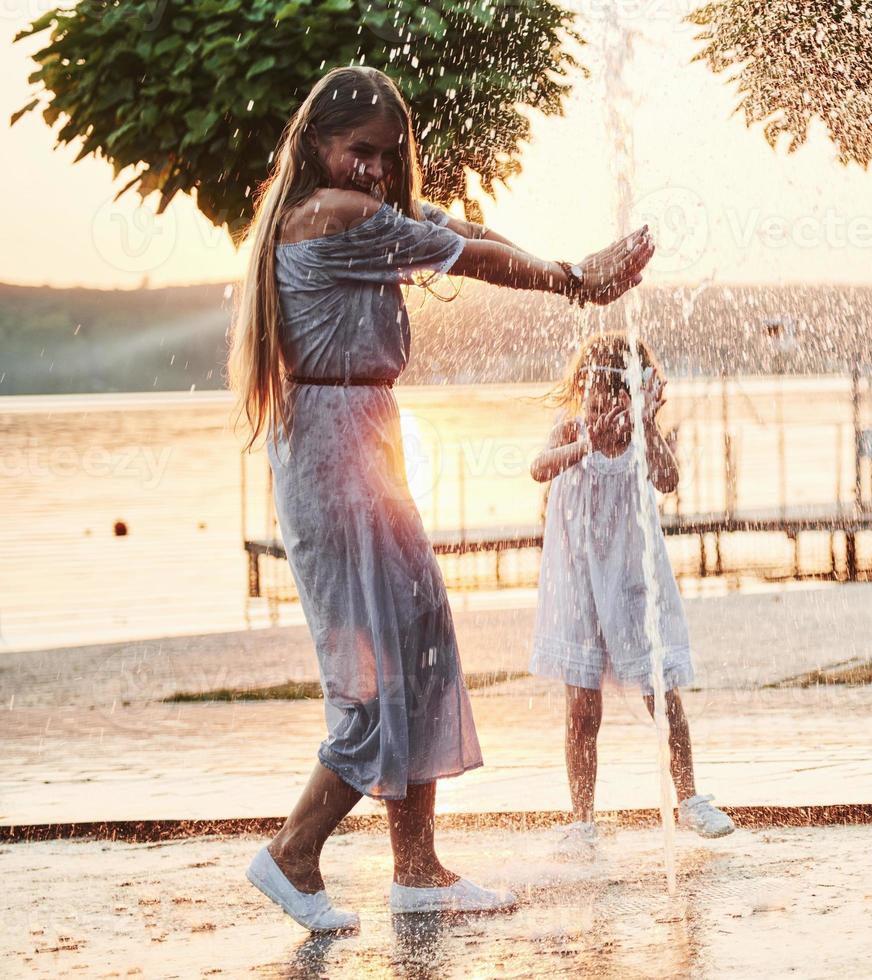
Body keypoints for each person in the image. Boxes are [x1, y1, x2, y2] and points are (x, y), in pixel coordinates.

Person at [227, 65, 653, 931]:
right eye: (360, 154)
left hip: (361, 444)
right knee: (377, 673)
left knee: (419, 644)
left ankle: (416, 869)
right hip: (336, 458)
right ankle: (292, 855)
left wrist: (565, 268)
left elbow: (461, 228)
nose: (376, 174)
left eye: (388, 158)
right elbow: (474, 256)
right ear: (315, 145)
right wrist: (573, 279)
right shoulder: (333, 216)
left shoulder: (358, 211)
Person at [529, 332, 736, 861]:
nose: (603, 401)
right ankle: (582, 820)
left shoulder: (643, 436)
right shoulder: (573, 430)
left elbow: (668, 479)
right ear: (581, 388)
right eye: (594, 389)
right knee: (581, 709)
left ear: (634, 390)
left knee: (662, 693)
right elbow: (538, 468)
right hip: (578, 581)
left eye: (617, 389)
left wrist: (644, 422)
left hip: (631, 581)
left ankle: (688, 798)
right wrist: (585, 445)